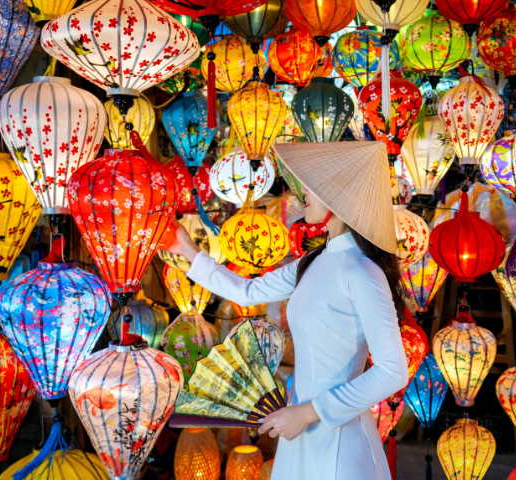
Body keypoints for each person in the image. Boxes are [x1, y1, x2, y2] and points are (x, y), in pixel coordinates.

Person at [165, 141, 409, 480]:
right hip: (298, 425)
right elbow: (247, 292)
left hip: (337, 439)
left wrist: (309, 413)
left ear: (339, 196)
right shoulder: (312, 262)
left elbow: (393, 372)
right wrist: (185, 248)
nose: (303, 190)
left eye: (313, 184)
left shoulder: (361, 272)